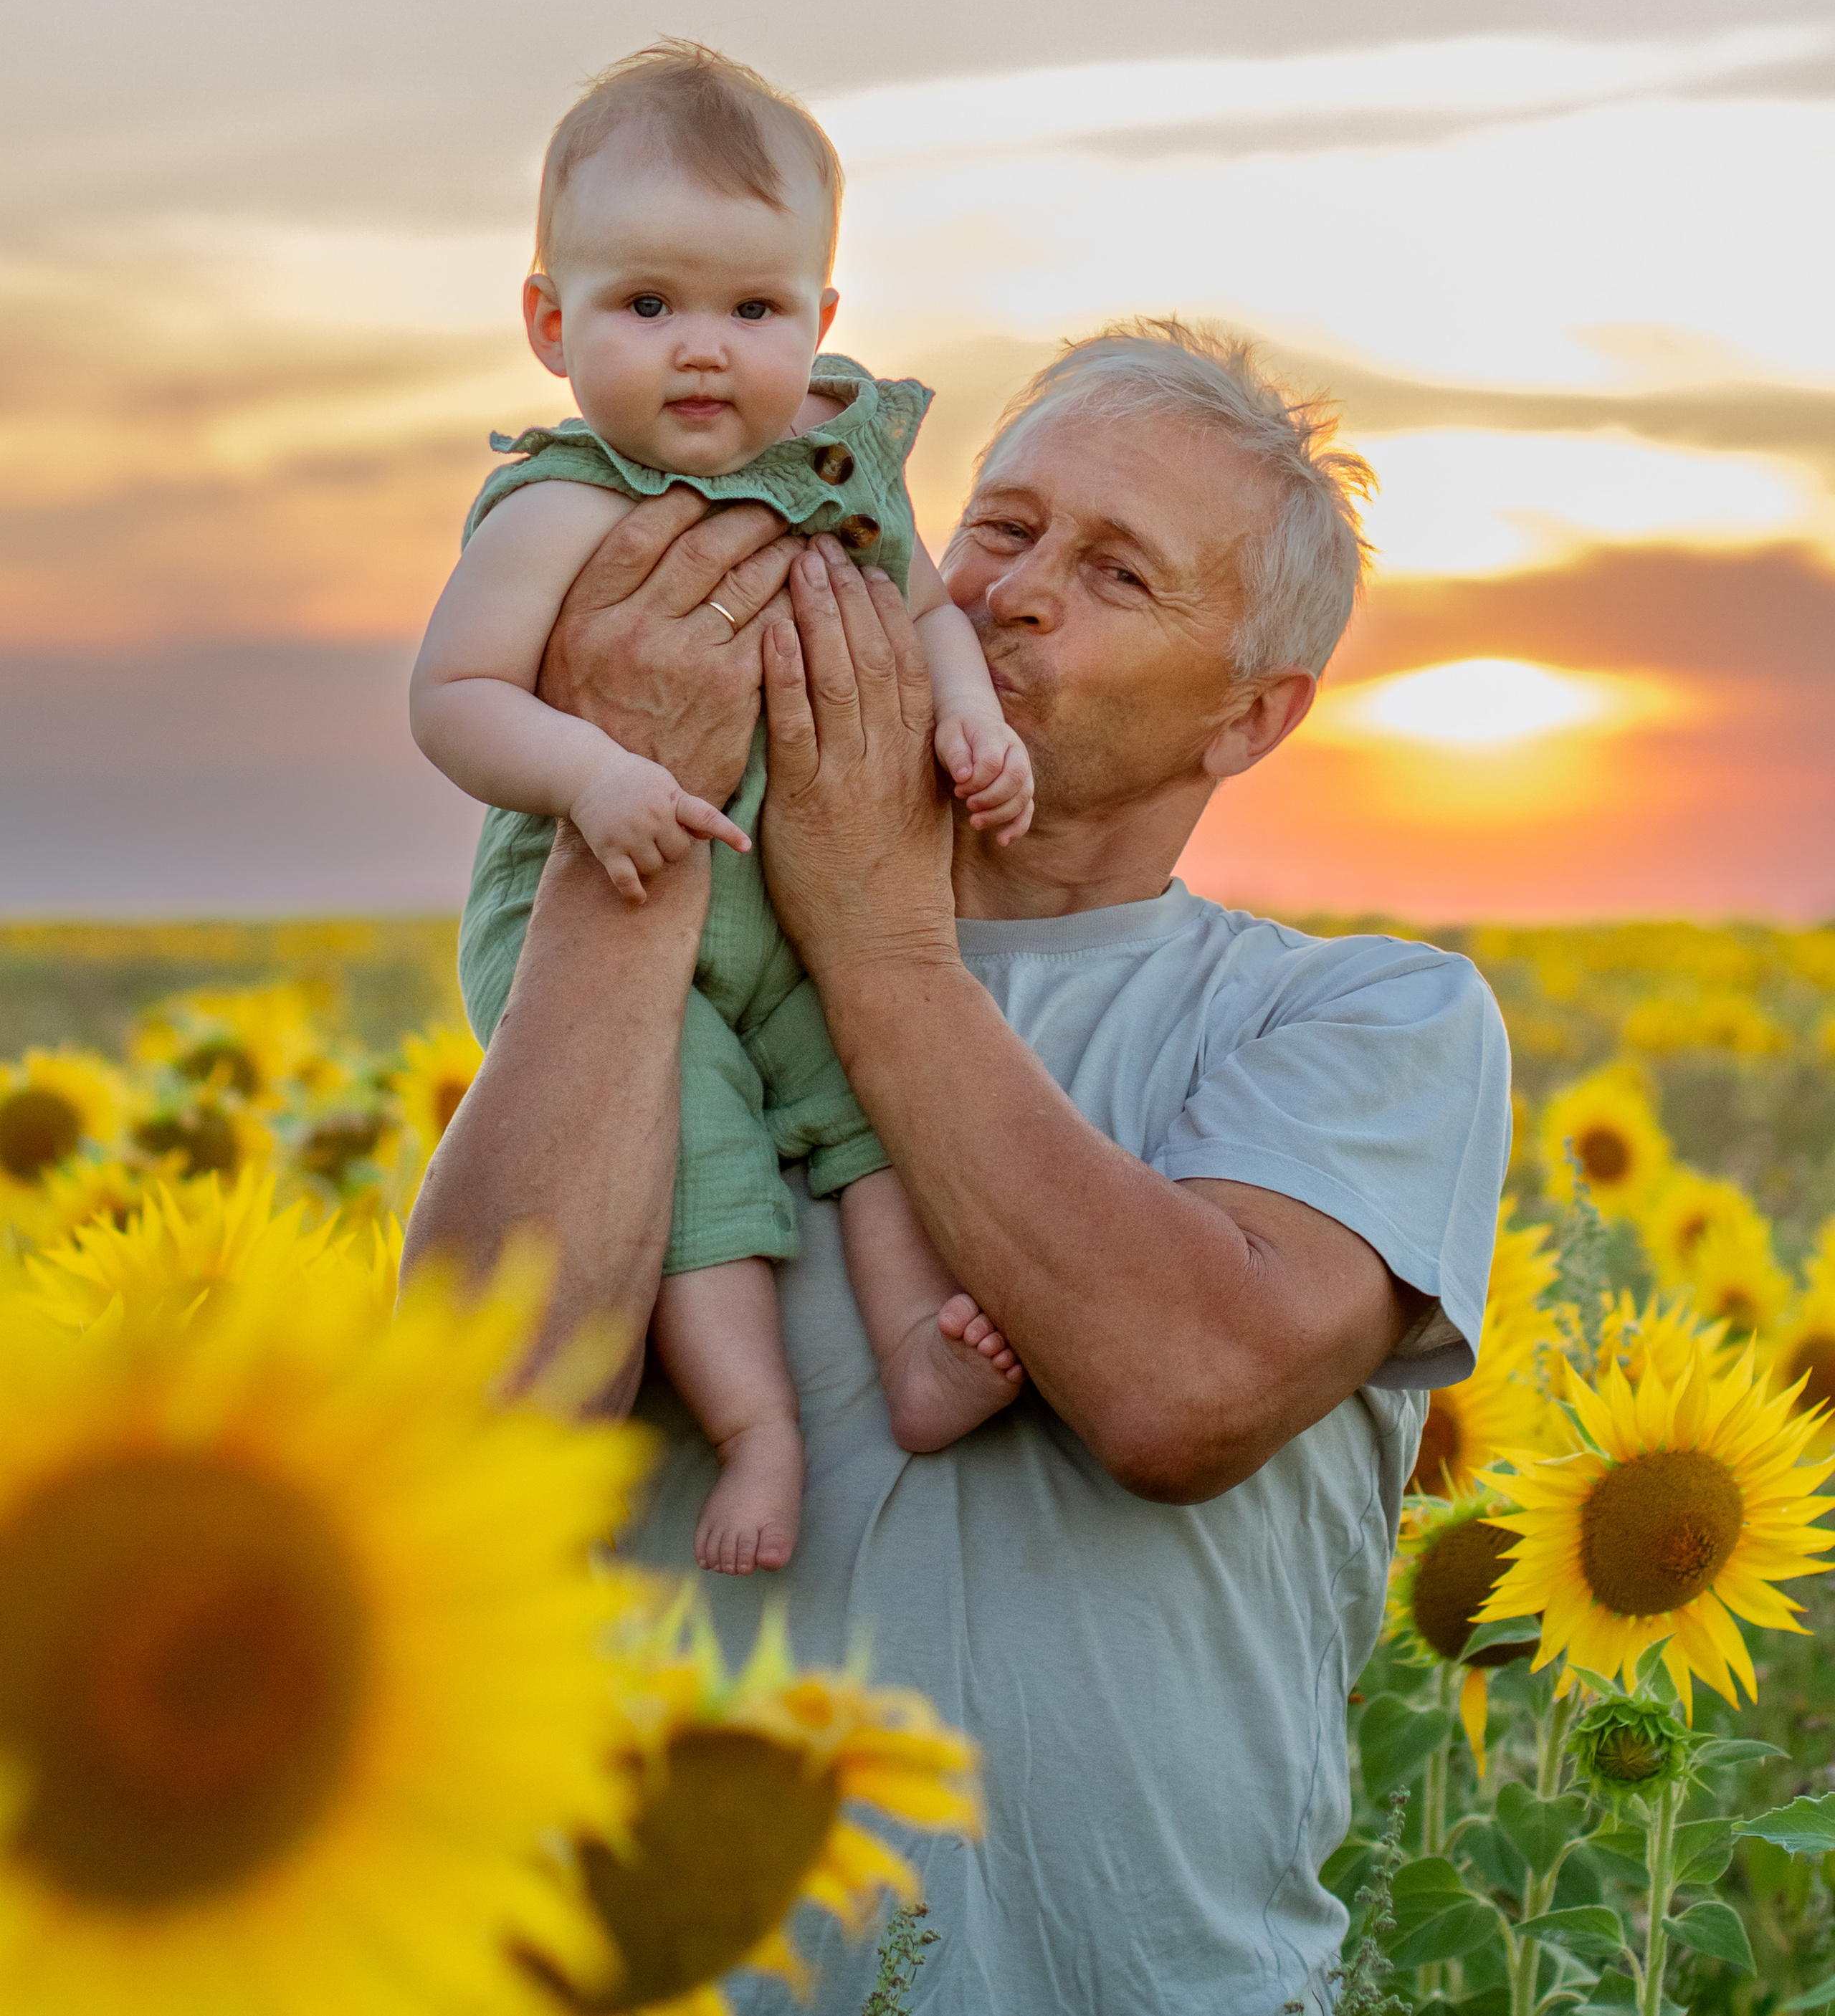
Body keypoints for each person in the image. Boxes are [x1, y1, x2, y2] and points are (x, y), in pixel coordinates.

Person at [404, 318, 1511, 2016]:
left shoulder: (1361, 1020)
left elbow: (1180, 1387)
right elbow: (478, 1424)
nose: (1013, 591)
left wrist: (877, 939)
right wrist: (645, 827)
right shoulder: (678, 969)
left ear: (1248, 717)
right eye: (999, 526)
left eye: (1117, 571)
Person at [410, 42, 1034, 1576]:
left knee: (871, 1094)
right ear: (550, 323)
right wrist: (595, 773)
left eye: (752, 310)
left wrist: (966, 713)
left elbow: (929, 611)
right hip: (615, 890)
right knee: (686, 1148)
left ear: (819, 321)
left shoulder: (844, 471)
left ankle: (915, 1348)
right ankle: (755, 1426)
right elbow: (457, 698)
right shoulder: (558, 500)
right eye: (647, 306)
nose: (703, 350)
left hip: (813, 898)